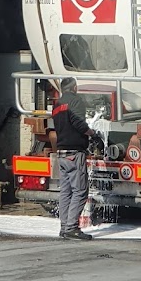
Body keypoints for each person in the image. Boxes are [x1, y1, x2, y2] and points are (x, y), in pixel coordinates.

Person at [52, 77, 96, 240]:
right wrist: (91, 133)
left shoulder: (56, 105)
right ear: (75, 88)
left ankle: (64, 227)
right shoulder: (75, 101)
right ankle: (71, 228)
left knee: (66, 191)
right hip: (74, 152)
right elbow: (78, 122)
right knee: (80, 191)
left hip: (62, 152)